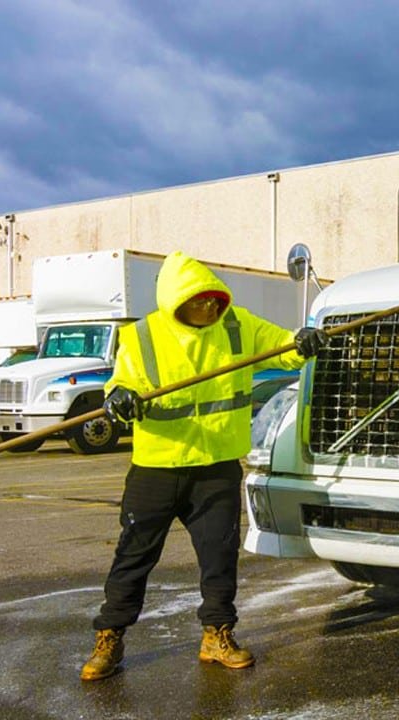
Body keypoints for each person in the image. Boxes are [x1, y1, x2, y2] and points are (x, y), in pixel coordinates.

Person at [80, 251, 328, 681]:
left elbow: (282, 347)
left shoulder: (237, 325)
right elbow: (121, 382)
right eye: (201, 300)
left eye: (216, 298)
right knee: (133, 557)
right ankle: (110, 638)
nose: (212, 306)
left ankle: (217, 634)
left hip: (215, 468)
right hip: (157, 468)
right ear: (177, 302)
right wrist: (117, 398)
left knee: (219, 556)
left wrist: (301, 342)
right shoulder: (142, 336)